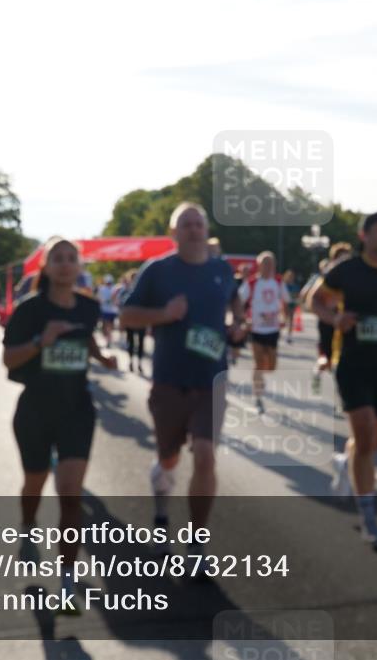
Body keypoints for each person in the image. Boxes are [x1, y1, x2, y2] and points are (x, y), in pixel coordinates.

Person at [120, 202, 248, 566]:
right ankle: (161, 515)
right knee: (168, 458)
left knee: (205, 457)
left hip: (211, 382)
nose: (194, 230)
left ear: (207, 230)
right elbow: (127, 315)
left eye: (199, 223)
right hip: (169, 381)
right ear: (173, 233)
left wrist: (237, 325)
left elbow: (235, 300)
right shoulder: (157, 272)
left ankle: (196, 545)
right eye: (186, 224)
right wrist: (163, 314)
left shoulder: (222, 270)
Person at [2, 237, 117, 615]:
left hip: (76, 410)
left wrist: (104, 357)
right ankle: (28, 524)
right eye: (58, 259)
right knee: (34, 482)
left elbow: (85, 342)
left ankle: (67, 581)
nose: (66, 264)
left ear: (78, 266)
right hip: (35, 409)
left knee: (70, 494)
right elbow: (9, 360)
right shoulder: (29, 310)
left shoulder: (89, 307)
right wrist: (41, 340)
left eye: (72, 258)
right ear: (46, 268)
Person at [310, 212, 377, 550]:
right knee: (364, 429)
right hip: (351, 362)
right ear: (364, 235)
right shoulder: (346, 270)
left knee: (371, 442)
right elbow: (314, 300)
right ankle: (369, 518)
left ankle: (345, 461)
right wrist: (335, 317)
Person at [237, 252, 290, 414]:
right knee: (259, 363)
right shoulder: (252, 283)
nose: (268, 267)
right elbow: (238, 300)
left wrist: (284, 319)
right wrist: (244, 320)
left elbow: (286, 301)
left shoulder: (279, 282)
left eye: (271, 264)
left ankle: (260, 379)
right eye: (265, 264)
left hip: (273, 329)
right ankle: (258, 394)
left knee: (271, 366)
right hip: (257, 329)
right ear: (259, 266)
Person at [302, 242, 353, 394]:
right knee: (327, 359)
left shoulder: (350, 277)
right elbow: (307, 296)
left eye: (348, 259)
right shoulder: (326, 277)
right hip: (327, 323)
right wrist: (327, 307)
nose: (346, 262)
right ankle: (317, 373)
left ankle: (342, 396)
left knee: (344, 361)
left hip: (344, 322)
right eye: (342, 259)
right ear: (334, 259)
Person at [118, 269, 147, 373]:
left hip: (142, 322)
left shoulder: (145, 292)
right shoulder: (125, 291)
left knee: (140, 344)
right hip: (130, 322)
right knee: (131, 342)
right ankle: (131, 362)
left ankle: (139, 363)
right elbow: (121, 306)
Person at [227, 263, 252, 365]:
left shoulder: (251, 281)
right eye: (244, 271)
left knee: (242, 331)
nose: (246, 273)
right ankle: (233, 353)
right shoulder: (236, 280)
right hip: (235, 311)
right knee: (235, 330)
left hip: (246, 311)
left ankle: (236, 351)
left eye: (247, 271)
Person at [97, 274, 117, 347]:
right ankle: (108, 339)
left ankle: (109, 339)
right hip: (104, 310)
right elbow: (99, 299)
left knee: (110, 327)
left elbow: (116, 300)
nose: (109, 283)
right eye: (108, 282)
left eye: (110, 282)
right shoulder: (101, 289)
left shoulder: (114, 289)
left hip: (112, 311)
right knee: (105, 327)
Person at [282, 270, 300, 345]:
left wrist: (297, 302)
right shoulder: (284, 285)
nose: (291, 278)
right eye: (289, 276)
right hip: (285, 304)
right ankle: (283, 333)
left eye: (292, 276)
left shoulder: (295, 286)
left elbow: (297, 295)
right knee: (285, 319)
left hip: (292, 304)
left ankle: (289, 336)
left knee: (291, 320)